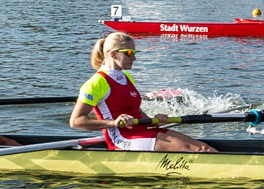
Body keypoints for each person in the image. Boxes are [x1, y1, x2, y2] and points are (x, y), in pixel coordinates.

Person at [68, 33, 215, 151]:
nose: (134, 58)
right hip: (122, 140)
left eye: (134, 52)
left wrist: (154, 121)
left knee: (205, 148)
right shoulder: (96, 83)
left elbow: (135, 110)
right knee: (197, 150)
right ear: (113, 54)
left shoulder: (127, 78)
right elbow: (76, 121)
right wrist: (113, 123)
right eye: (129, 53)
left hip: (142, 131)